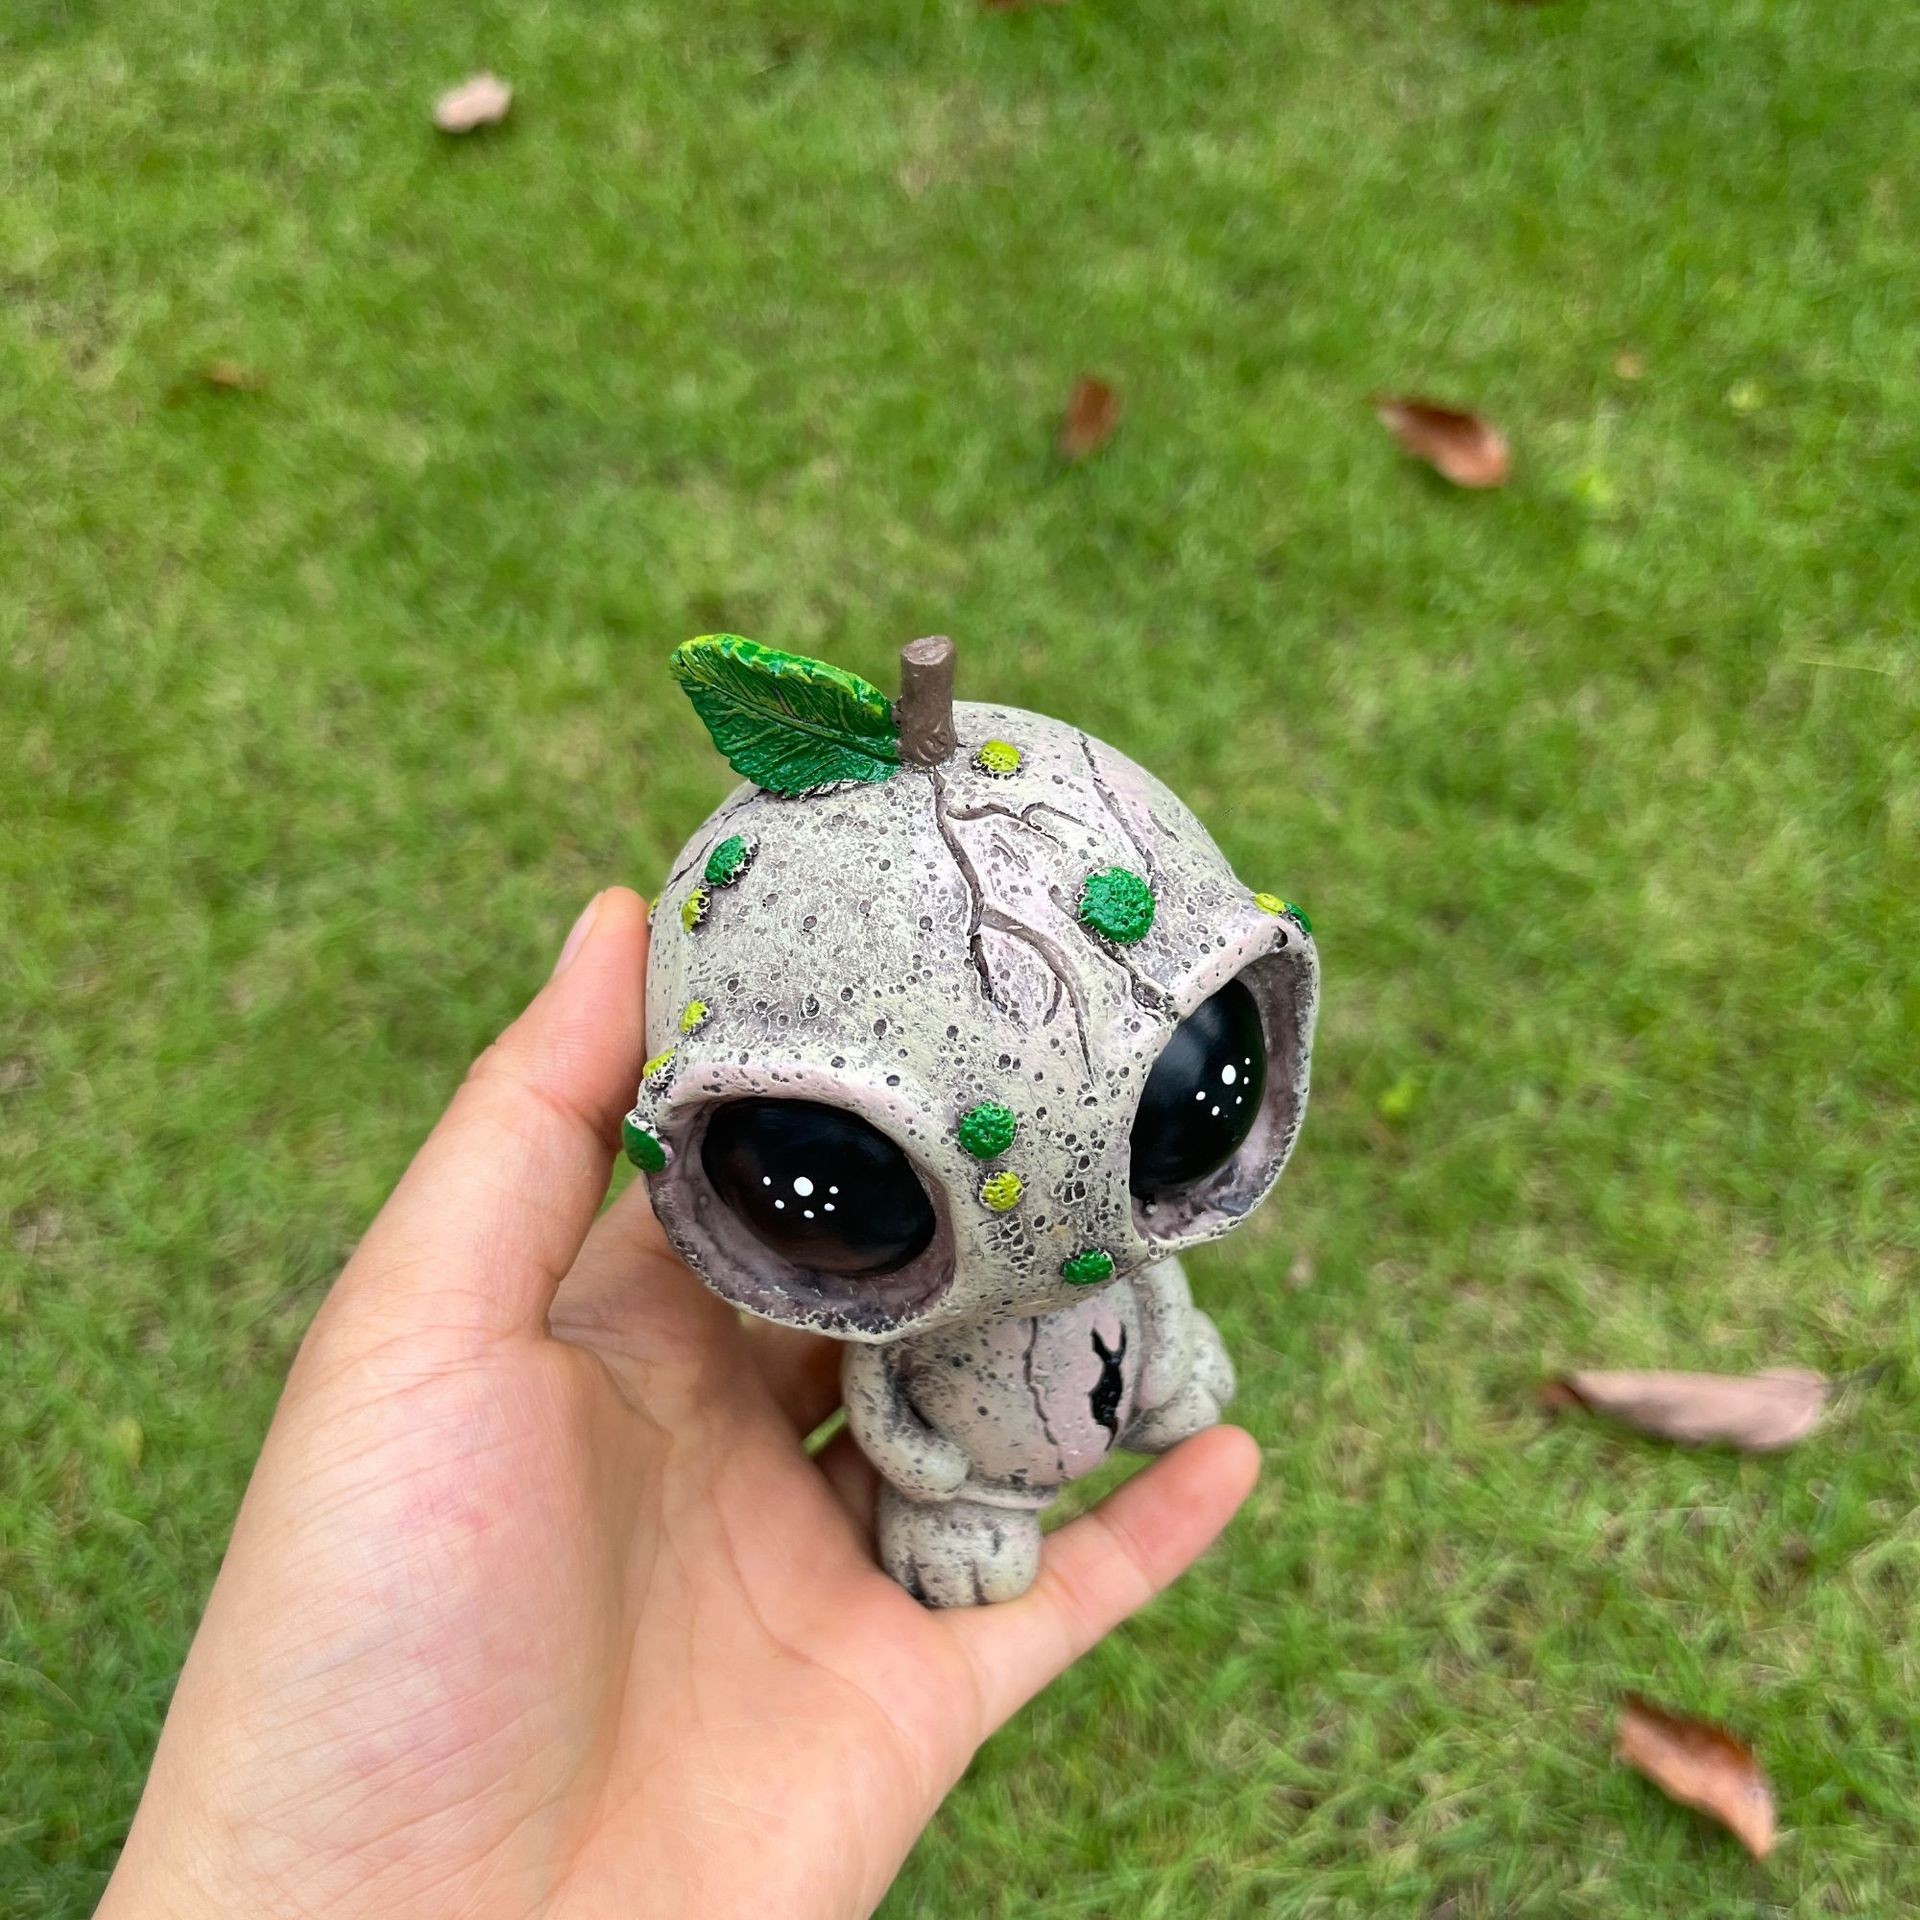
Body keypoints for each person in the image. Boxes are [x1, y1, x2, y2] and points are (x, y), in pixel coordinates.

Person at [97, 889, 1260, 1920]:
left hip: (1099, 1357)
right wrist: (933, 1473)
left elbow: (1133, 1271)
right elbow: (884, 1396)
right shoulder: (895, 1316)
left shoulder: (1112, 1253)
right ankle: (982, 1512)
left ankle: (1156, 1392)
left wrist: (1162, 1334)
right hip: (974, 1479)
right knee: (966, 1494)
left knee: (1152, 1340)